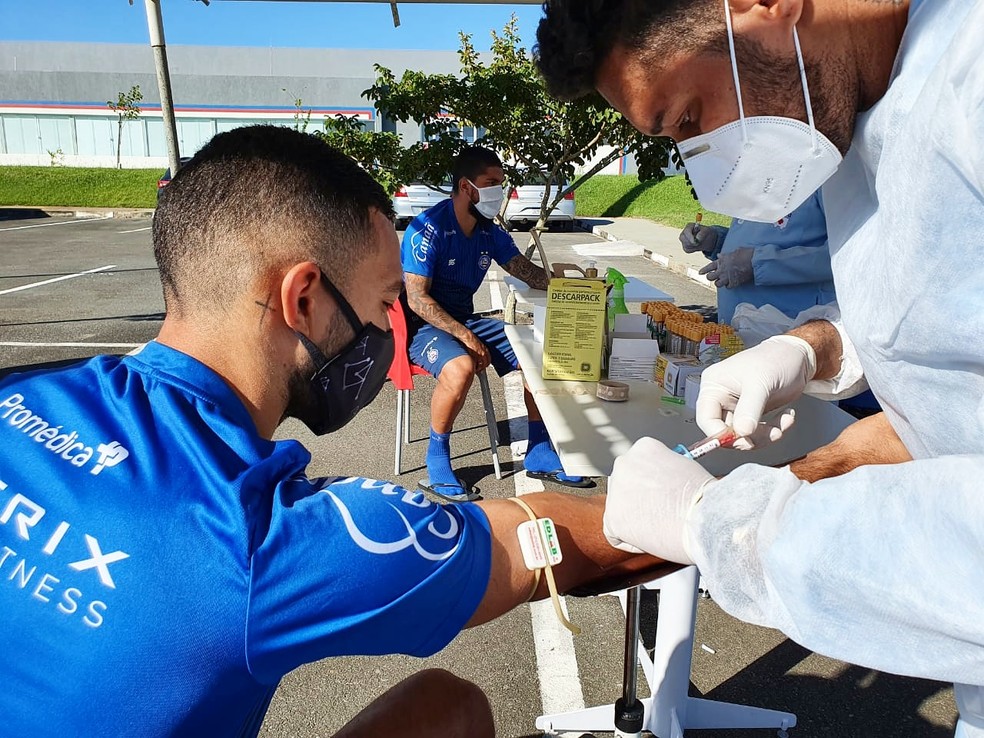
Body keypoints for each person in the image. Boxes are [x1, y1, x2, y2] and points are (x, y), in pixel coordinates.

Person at [0, 125, 662, 737]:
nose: (385, 329)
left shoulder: (22, 393)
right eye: (381, 303)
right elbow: (531, 546)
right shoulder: (264, 538)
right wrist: (716, 510)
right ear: (303, 299)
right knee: (451, 708)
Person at [535, 1, 984, 736]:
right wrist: (818, 347)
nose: (705, 159)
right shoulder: (855, 110)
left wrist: (718, 525)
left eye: (687, 117)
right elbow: (953, 301)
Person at [402, 145, 591, 499]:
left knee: (538, 356)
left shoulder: (490, 232)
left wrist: (577, 285)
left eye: (501, 184)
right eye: (490, 183)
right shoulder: (427, 229)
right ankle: (437, 461)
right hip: (423, 329)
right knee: (460, 367)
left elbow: (525, 272)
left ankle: (539, 451)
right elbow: (416, 299)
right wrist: (464, 337)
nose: (498, 192)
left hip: (464, 322)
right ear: (465, 187)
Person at [680, 190, 834, 325]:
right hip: (738, 332)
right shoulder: (765, 176)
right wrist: (715, 241)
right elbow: (758, 239)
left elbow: (839, 257)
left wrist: (757, 264)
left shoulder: (832, 175)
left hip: (784, 331)